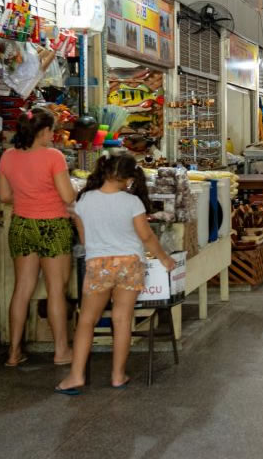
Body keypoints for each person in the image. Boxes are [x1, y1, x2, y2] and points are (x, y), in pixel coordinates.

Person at [55, 154, 176, 395]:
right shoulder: (132, 203)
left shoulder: (85, 200)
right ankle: (118, 375)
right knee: (122, 320)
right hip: (129, 264)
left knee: (87, 320)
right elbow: (146, 236)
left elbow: (84, 239)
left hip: (98, 264)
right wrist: (164, 258)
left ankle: (76, 376)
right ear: (129, 179)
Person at [0, 108, 77, 368]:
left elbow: (4, 196)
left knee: (22, 289)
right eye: (52, 130)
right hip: (53, 225)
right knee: (56, 290)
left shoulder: (8, 156)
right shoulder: (53, 156)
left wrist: (27, 196)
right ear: (43, 132)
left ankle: (13, 353)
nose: (54, 135)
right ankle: (61, 351)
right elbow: (67, 197)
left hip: (21, 224)